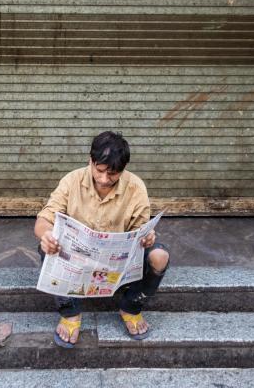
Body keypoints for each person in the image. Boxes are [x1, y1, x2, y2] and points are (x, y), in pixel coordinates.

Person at [34, 131, 170, 348]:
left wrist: (146, 237)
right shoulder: (71, 180)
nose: (105, 179)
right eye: (99, 171)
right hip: (78, 258)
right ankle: (70, 312)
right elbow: (44, 220)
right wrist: (47, 235)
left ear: (123, 169)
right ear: (91, 160)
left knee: (159, 256)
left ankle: (131, 306)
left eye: (113, 174)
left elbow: (141, 229)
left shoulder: (136, 187)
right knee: (47, 248)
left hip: (117, 261)